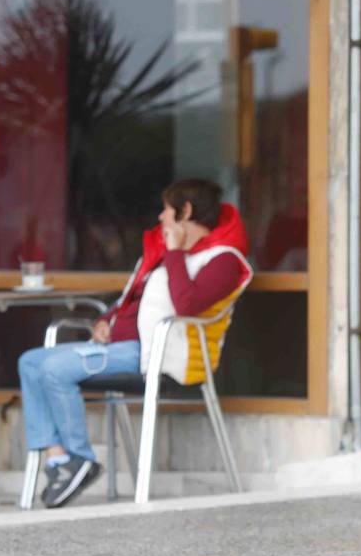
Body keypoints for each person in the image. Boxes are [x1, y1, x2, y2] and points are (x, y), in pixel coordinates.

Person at [18, 178, 251, 508]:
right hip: (119, 347)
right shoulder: (165, 254)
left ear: (185, 212)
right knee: (30, 361)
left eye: (167, 210)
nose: (160, 218)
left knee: (54, 369)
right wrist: (106, 320)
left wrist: (172, 254)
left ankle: (80, 457)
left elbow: (187, 305)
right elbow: (134, 299)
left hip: (155, 356)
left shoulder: (223, 260)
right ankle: (59, 461)